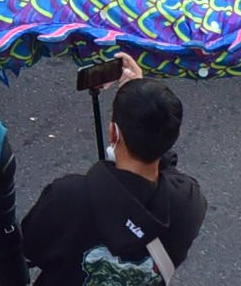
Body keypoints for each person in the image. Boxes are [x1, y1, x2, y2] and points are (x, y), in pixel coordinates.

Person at [15, 70, 202, 285]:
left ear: (114, 133)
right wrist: (148, 107)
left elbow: (30, 247)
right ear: (175, 135)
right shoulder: (189, 202)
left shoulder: (66, 197)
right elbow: (168, 168)